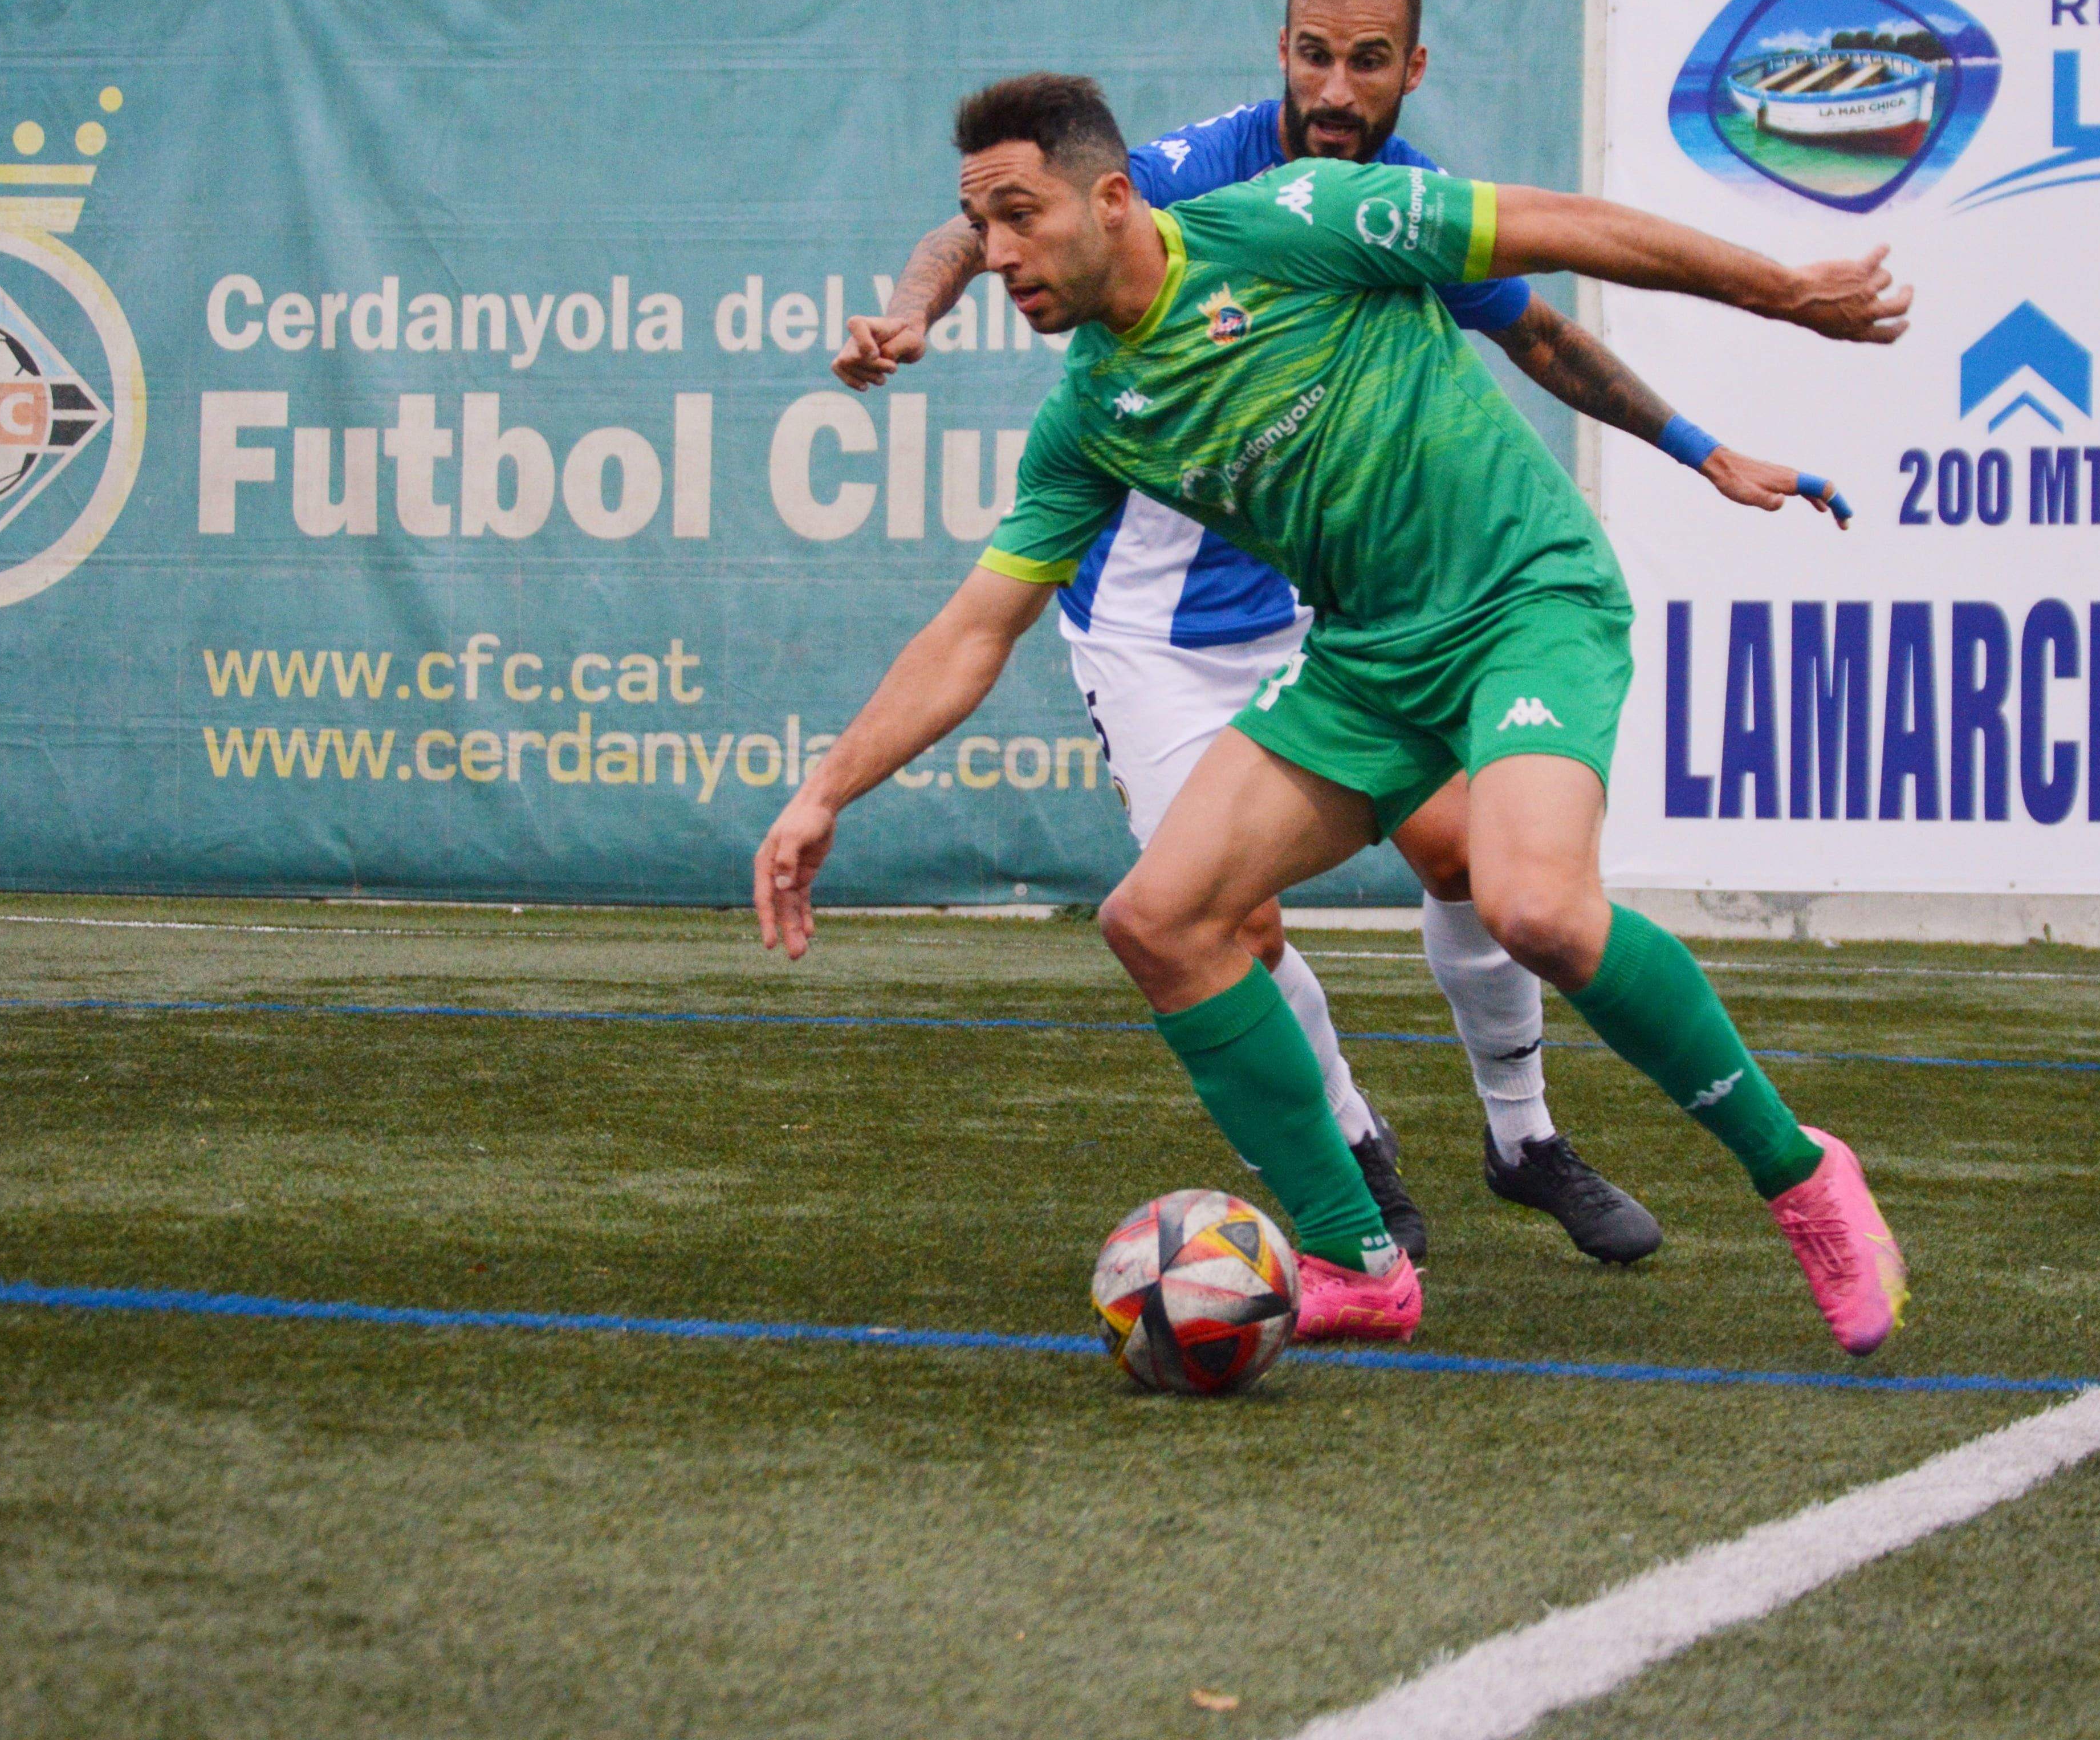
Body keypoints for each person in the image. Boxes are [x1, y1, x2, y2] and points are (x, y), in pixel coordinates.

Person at [760, 73, 1910, 1353]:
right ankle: (1358, 1253)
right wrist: (823, 793)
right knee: (1160, 919)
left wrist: (1786, 292)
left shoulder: (1299, 217)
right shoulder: (1090, 415)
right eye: (985, 230)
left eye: (1022, 218)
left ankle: (1800, 1175)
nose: (1003, 255)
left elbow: (1563, 229)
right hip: (1366, 654)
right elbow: (973, 630)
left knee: (1528, 900)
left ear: (1114, 196)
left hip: (1525, 593)